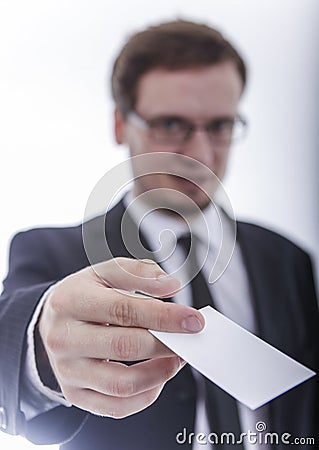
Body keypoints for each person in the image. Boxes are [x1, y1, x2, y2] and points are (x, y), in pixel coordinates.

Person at [0, 19, 318, 450]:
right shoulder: (54, 252)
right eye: (171, 124)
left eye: (220, 127)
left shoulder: (287, 260)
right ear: (119, 124)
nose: (201, 155)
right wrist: (38, 344)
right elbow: (9, 350)